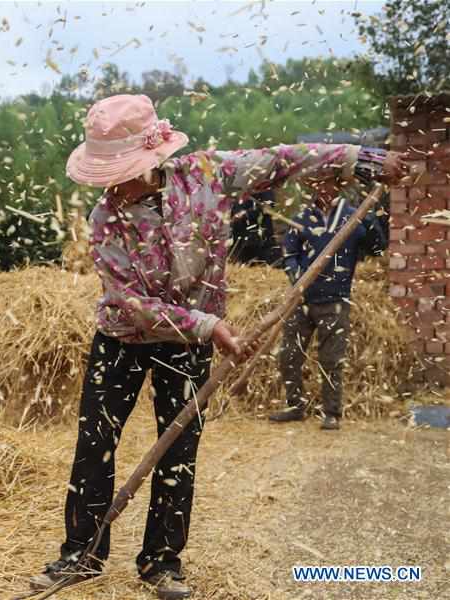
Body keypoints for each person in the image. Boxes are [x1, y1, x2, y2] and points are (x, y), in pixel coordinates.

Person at [27, 94, 408, 599]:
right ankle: (80, 555)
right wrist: (210, 326)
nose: (112, 184)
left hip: (188, 345)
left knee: (179, 449)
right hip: (123, 339)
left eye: (119, 171)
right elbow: (130, 303)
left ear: (149, 161)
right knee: (94, 443)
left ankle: (162, 562)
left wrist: (361, 159)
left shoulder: (205, 174)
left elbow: (281, 160)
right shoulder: (105, 219)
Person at [268, 175, 386, 430]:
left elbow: (377, 249)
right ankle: (295, 406)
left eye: (328, 183)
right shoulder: (302, 218)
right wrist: (296, 276)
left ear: (338, 186)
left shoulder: (352, 217)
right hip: (302, 299)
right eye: (317, 183)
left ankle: (332, 412)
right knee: (289, 354)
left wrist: (370, 219)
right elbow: (290, 254)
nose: (322, 188)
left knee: (331, 358)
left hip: (335, 300)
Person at [229, 189, 280, 265]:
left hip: (258, 236)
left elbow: (268, 206)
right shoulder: (240, 187)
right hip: (239, 233)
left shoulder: (265, 188)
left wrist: (247, 214)